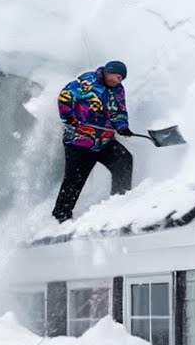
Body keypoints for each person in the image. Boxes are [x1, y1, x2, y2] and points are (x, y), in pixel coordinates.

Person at [52, 59, 134, 222]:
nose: (118, 81)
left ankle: (119, 203)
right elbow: (64, 97)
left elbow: (120, 111)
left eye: (121, 79)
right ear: (108, 72)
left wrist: (122, 126)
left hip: (103, 142)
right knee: (73, 183)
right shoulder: (86, 82)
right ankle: (60, 218)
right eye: (116, 77)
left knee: (124, 160)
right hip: (79, 143)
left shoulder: (118, 90)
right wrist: (69, 118)